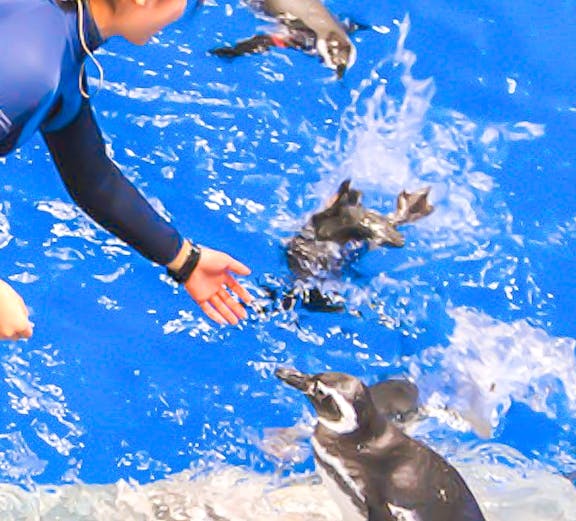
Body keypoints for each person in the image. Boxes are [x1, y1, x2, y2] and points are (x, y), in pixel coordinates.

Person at [0, 0, 253, 340]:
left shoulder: (57, 41)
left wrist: (184, 259)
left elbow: (94, 180)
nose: (184, 13)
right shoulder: (30, 70)